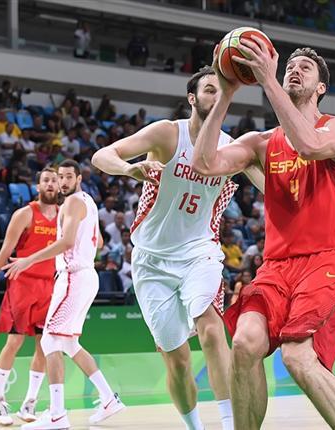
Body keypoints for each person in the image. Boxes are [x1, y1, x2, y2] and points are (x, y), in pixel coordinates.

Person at [191, 40, 335, 429]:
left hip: (327, 257)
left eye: (306, 67)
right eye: (290, 66)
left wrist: (268, 80)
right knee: (244, 342)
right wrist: (226, 94)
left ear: (321, 87)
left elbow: (311, 144)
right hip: (278, 266)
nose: (294, 70)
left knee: (297, 357)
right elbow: (204, 163)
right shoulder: (261, 143)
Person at [91, 65, 264, 430]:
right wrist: (129, 169)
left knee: (212, 329)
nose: (216, 96)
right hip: (151, 261)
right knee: (178, 360)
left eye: (222, 90)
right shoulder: (167, 134)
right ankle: (194, 427)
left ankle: (232, 424)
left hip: (199, 252)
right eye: (208, 90)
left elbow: (272, 189)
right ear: (192, 98)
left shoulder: (233, 148)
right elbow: (102, 155)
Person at [3, 160, 125, 429]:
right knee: (69, 344)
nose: (63, 182)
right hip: (85, 275)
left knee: (49, 342)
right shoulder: (89, 202)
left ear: (79, 178)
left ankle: (57, 415)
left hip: (73, 277)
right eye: (60, 177)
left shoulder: (70, 204)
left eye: (69, 177)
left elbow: (68, 242)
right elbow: (99, 242)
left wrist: (28, 260)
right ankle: (108, 399)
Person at [0, 168, 59, 426]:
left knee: (43, 347)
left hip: (50, 287)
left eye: (54, 181)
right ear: (37, 186)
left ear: (59, 187)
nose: (50, 184)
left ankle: (30, 402)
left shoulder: (64, 217)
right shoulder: (24, 214)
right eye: (45, 180)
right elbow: (4, 253)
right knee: (14, 342)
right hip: (22, 286)